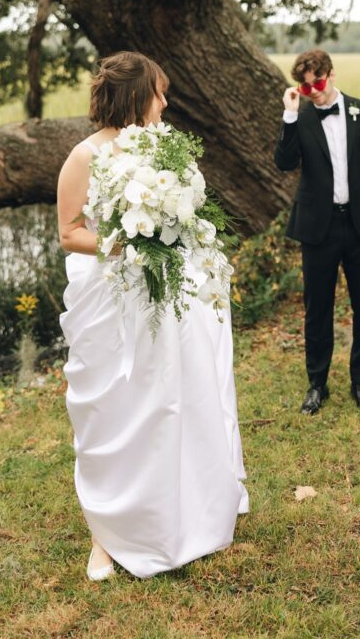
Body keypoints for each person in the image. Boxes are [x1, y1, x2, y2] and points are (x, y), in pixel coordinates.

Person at [57, 50, 248, 580]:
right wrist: (125, 242)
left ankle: (189, 514)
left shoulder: (167, 146)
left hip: (173, 296)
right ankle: (107, 534)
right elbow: (69, 232)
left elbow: (186, 214)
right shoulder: (85, 156)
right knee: (117, 411)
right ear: (138, 96)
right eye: (160, 92)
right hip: (114, 298)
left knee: (175, 402)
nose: (166, 101)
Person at [274, 49, 360, 414]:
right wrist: (290, 114)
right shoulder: (302, 116)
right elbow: (284, 163)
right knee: (317, 308)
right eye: (305, 84)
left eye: (318, 81)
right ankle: (317, 384)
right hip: (319, 227)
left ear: (330, 73)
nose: (313, 89)